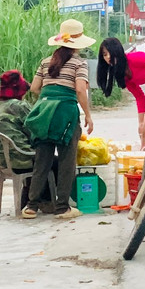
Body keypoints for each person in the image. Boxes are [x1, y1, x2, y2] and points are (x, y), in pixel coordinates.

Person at [23, 19, 96, 220]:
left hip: (44, 112)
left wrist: (49, 100)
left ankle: (31, 206)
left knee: (42, 160)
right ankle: (62, 207)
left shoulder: (46, 62)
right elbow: (80, 90)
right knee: (66, 161)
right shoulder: (79, 63)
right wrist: (88, 115)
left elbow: (34, 88)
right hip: (65, 113)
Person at [0, 70, 36, 209]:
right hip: (21, 161)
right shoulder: (19, 106)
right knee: (51, 162)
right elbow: (35, 131)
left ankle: (27, 199)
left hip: (2, 162)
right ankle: (41, 202)